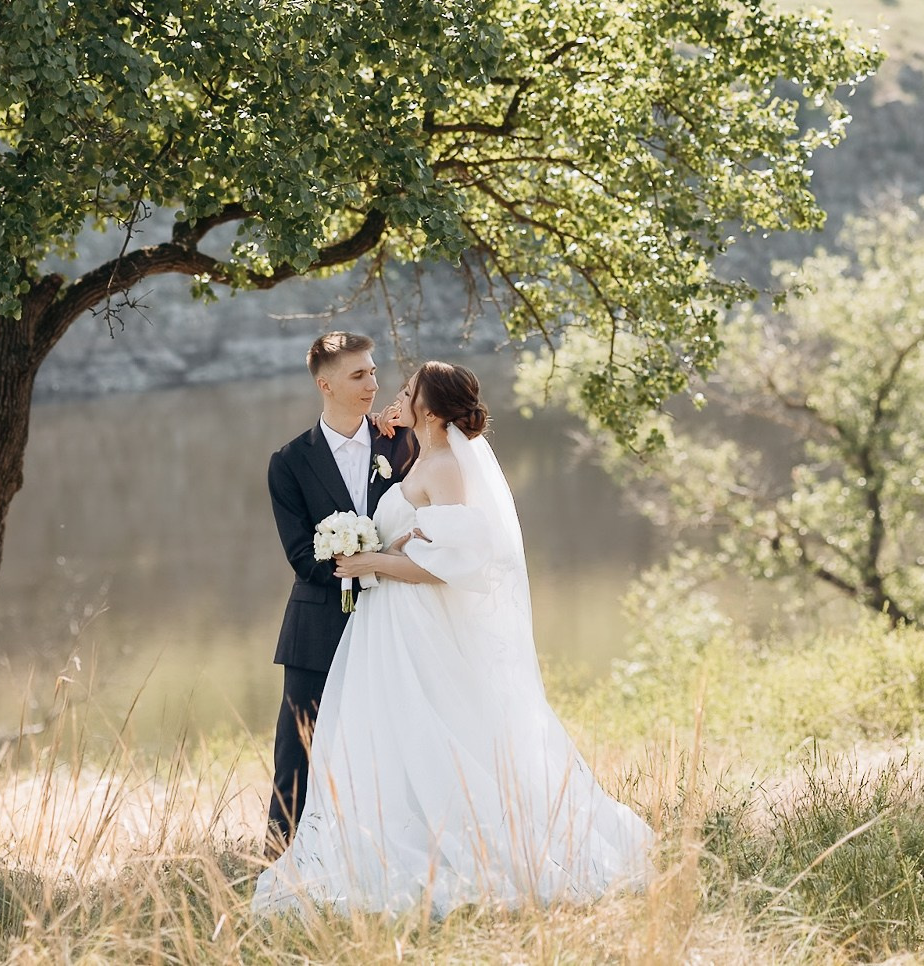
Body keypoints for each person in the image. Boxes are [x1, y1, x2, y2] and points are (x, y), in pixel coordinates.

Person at [254, 361, 654, 916]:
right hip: (393, 622)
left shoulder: (443, 466)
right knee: (391, 739)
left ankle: (449, 851)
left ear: (433, 408)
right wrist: (392, 547)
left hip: (413, 619)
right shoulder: (420, 456)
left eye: (407, 390)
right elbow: (423, 542)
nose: (394, 394)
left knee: (427, 734)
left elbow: (451, 563)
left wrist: (372, 560)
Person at [264, 331, 415, 851]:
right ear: (325, 384)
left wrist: (383, 565)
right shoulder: (288, 463)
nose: (373, 383)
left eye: (374, 372)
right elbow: (302, 557)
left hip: (397, 618)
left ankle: (379, 848)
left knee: (394, 739)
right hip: (318, 624)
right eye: (359, 375)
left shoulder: (401, 443)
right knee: (299, 747)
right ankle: (281, 857)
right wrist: (361, 565)